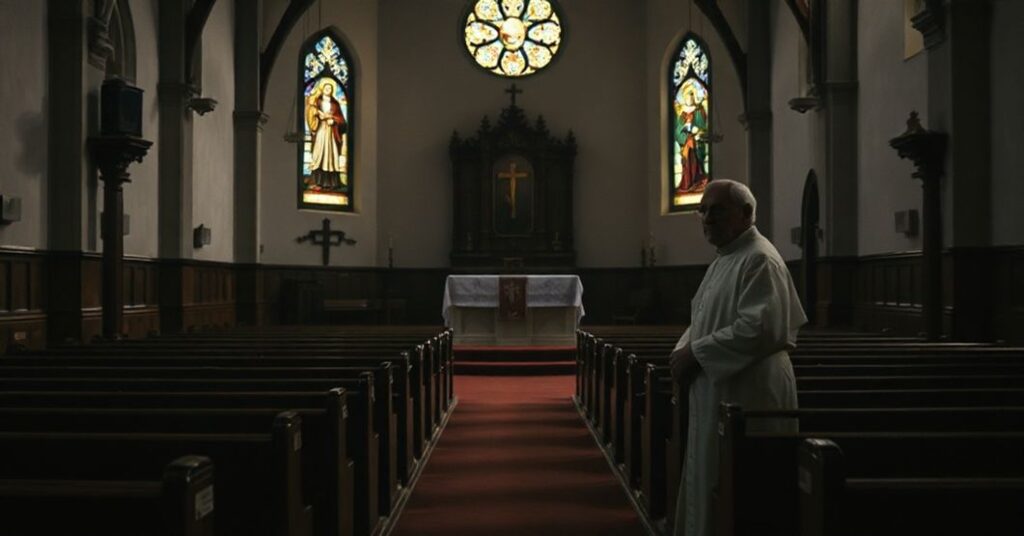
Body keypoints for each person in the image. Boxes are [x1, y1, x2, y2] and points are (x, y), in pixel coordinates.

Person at [669, 179, 807, 536]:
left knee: (740, 488)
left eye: (717, 210)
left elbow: (760, 329)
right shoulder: (728, 257)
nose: (707, 218)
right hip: (725, 388)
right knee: (718, 479)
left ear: (746, 213)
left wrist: (695, 353)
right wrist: (682, 352)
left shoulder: (759, 258)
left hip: (748, 391)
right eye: (702, 210)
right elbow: (703, 320)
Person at [306, 80, 348, 190]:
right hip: (321, 130)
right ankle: (317, 181)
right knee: (319, 153)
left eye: (330, 88)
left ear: (332, 90)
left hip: (331, 132)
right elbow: (311, 112)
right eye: (326, 88)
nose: (328, 90)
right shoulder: (317, 102)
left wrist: (333, 121)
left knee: (331, 154)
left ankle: (332, 183)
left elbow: (342, 121)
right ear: (322, 89)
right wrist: (318, 115)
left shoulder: (335, 104)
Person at [674, 84, 708, 194]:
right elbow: (677, 132)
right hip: (687, 143)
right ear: (684, 97)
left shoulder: (699, 110)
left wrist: (697, 132)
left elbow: (703, 127)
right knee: (687, 161)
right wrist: (686, 137)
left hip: (697, 142)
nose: (690, 97)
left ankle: (698, 181)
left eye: (692, 95)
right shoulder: (682, 114)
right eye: (688, 95)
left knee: (697, 161)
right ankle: (688, 183)